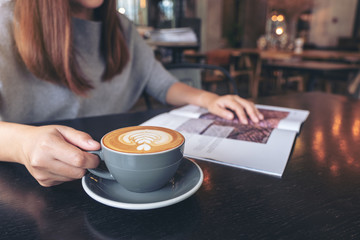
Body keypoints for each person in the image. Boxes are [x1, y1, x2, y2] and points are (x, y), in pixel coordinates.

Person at [0, 0, 263, 187]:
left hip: (125, 174)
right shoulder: (5, 22)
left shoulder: (122, 28)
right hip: (25, 188)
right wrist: (22, 145)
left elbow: (161, 83)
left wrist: (210, 99)